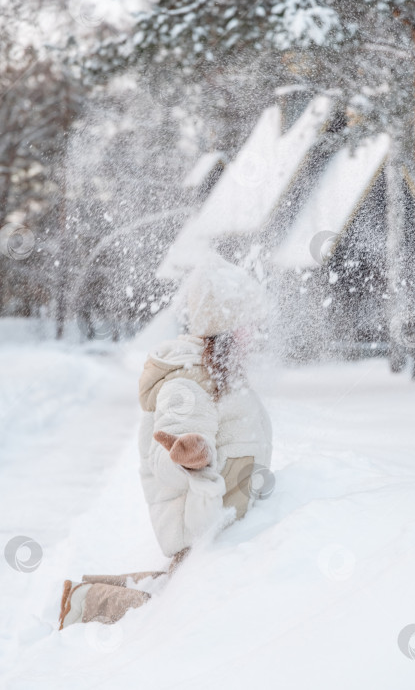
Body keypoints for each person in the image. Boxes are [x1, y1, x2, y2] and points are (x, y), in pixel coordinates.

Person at [59, 255, 272, 629]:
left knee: (179, 593)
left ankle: (90, 594)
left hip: (220, 521)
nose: (254, 334)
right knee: (178, 616)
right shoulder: (188, 381)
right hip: (200, 528)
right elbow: (164, 455)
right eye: (247, 326)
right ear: (225, 327)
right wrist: (189, 457)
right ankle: (85, 603)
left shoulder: (222, 374)